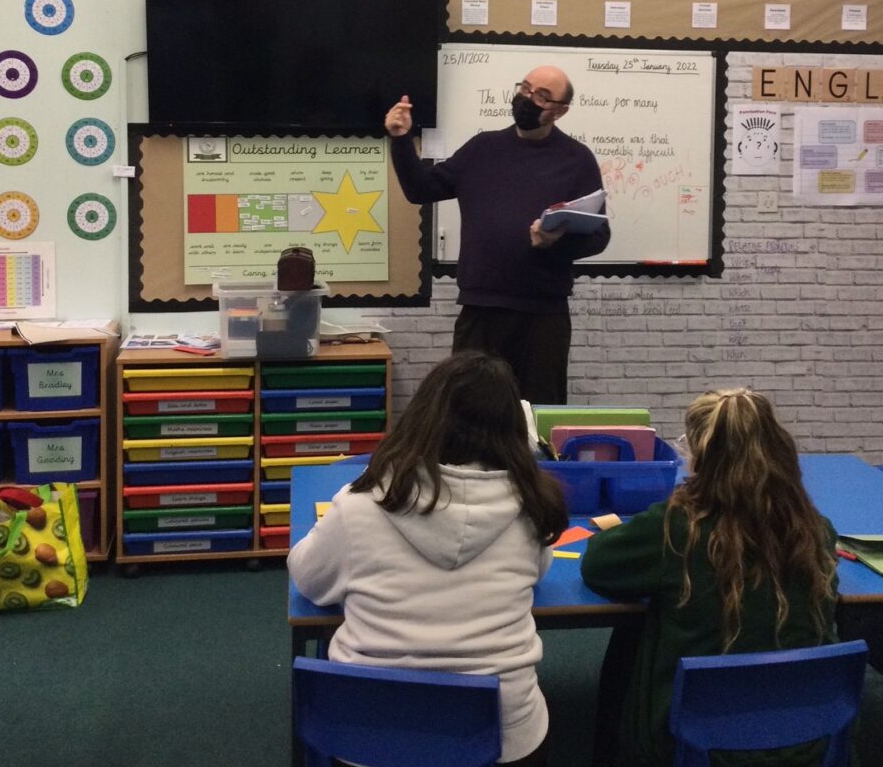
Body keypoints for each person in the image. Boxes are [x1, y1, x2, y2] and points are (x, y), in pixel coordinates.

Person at [287, 351, 569, 766]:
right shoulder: (531, 506)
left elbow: (308, 579)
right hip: (502, 740)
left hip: (370, 736)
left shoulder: (361, 504)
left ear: (422, 417)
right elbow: (538, 571)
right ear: (513, 428)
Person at [580, 388, 840, 767]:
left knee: (632, 634)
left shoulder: (676, 529)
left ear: (702, 457)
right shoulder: (817, 532)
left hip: (695, 743)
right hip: (808, 741)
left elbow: (598, 565)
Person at [384, 65, 609, 404]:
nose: (529, 99)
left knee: (537, 416)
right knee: (466, 411)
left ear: (561, 110)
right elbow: (420, 188)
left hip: (543, 315)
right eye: (525, 89)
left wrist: (555, 243)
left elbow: (599, 235)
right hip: (481, 309)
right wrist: (401, 140)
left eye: (543, 96)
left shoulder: (576, 160)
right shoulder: (482, 148)